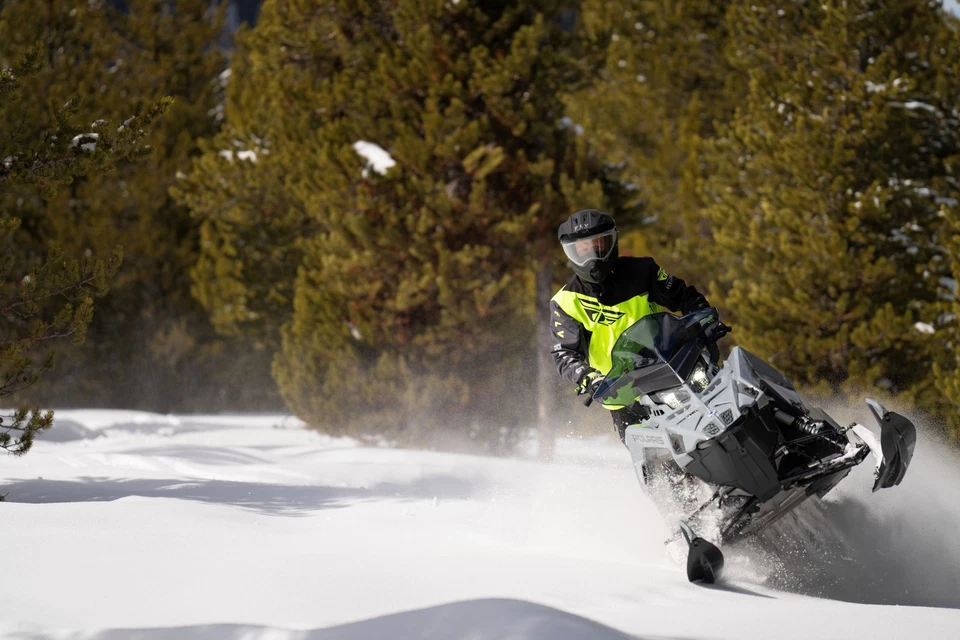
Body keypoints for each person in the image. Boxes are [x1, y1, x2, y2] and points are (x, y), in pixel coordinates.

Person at [549, 209, 715, 443]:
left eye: (598, 245)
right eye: (582, 250)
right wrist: (588, 378)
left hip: (669, 370)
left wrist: (703, 320)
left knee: (715, 410)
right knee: (656, 458)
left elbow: (683, 296)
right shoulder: (565, 302)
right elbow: (564, 352)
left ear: (611, 243)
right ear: (571, 253)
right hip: (620, 392)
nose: (592, 257)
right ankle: (663, 481)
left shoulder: (642, 271)